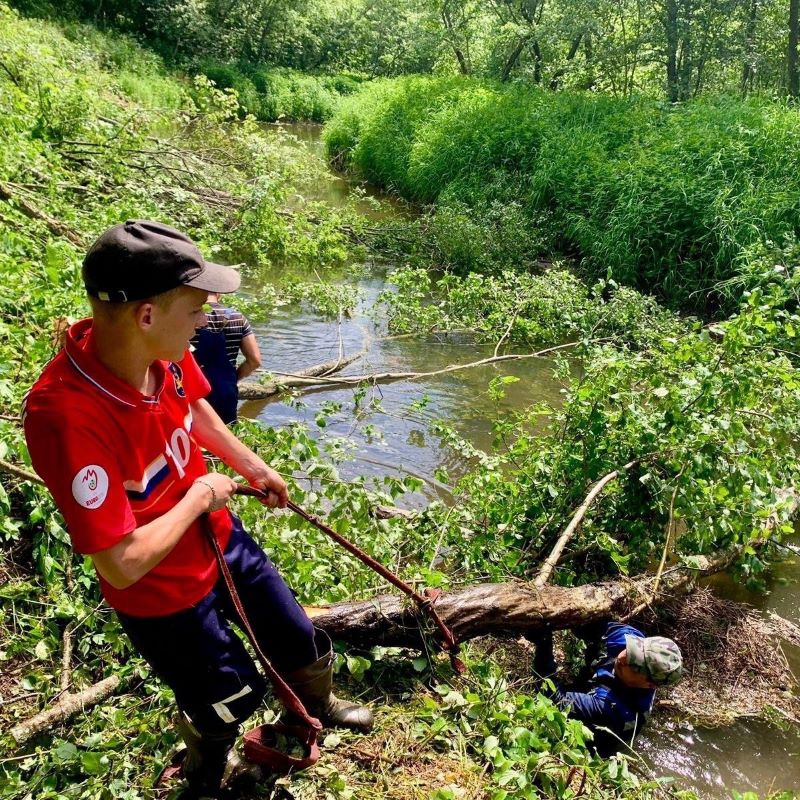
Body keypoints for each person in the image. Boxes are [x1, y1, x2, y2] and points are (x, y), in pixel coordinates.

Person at [22, 220, 373, 798]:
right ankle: (205, 771)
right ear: (146, 314)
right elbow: (120, 563)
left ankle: (313, 707)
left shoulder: (164, 354)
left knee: (294, 631)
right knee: (227, 693)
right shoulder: (66, 416)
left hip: (218, 537)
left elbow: (200, 415)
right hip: (162, 588)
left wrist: (250, 467)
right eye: (197, 310)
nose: (207, 322)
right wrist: (198, 496)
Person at [533, 621, 682, 756]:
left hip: (599, 739)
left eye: (634, 664)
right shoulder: (630, 637)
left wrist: (543, 642)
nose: (622, 658)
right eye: (632, 651)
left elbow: (552, 697)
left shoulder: (614, 708)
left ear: (650, 684)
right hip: (599, 686)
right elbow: (589, 622)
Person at [191, 292, 261, 425]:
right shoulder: (238, 317)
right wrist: (234, 378)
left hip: (194, 388)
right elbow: (255, 360)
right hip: (225, 390)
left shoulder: (191, 316)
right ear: (219, 294)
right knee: (227, 431)